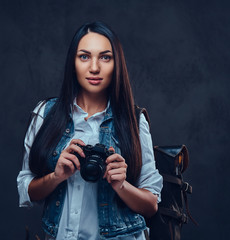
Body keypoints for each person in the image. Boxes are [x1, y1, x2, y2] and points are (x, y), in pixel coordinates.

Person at [17, 21, 163, 240]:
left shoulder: (133, 119)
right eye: (84, 56)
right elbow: (27, 189)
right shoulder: (45, 114)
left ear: (116, 64)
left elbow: (151, 204)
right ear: (72, 63)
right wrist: (56, 177)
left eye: (105, 57)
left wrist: (121, 185)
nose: (94, 67)